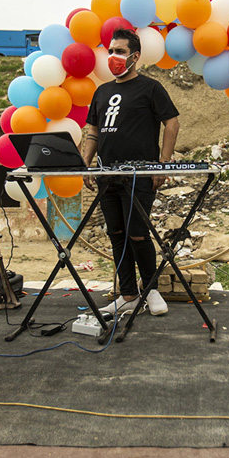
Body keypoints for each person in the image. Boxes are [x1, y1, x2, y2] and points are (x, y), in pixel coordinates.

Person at [82, 28, 180, 318]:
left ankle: (151, 290)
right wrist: (85, 163)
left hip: (140, 175)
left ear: (135, 57)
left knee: (137, 233)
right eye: (111, 51)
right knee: (116, 234)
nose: (113, 56)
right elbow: (93, 131)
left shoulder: (151, 88)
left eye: (120, 51)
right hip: (107, 176)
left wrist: (162, 164)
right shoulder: (101, 91)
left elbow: (171, 124)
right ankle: (127, 295)